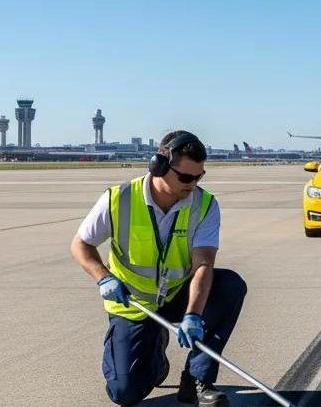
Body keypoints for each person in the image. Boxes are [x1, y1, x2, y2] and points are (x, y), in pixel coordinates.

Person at [71, 131, 247, 407]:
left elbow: (203, 264)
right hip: (133, 303)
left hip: (177, 296)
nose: (193, 184)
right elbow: (81, 245)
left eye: (199, 176)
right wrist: (103, 278)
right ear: (159, 166)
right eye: (186, 177)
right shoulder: (120, 199)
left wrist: (193, 315)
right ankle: (154, 354)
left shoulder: (204, 205)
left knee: (230, 286)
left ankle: (197, 379)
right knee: (124, 393)